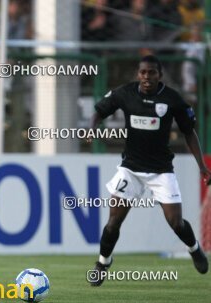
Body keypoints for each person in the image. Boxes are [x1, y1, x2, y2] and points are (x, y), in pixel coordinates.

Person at [89, 55, 210, 286]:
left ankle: (194, 249)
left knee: (176, 222)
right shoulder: (125, 93)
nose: (147, 77)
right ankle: (103, 262)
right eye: (143, 72)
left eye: (152, 73)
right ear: (138, 74)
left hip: (161, 169)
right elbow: (99, 111)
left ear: (159, 75)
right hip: (131, 169)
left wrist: (202, 166)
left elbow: (189, 132)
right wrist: (91, 128)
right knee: (113, 221)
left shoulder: (172, 99)